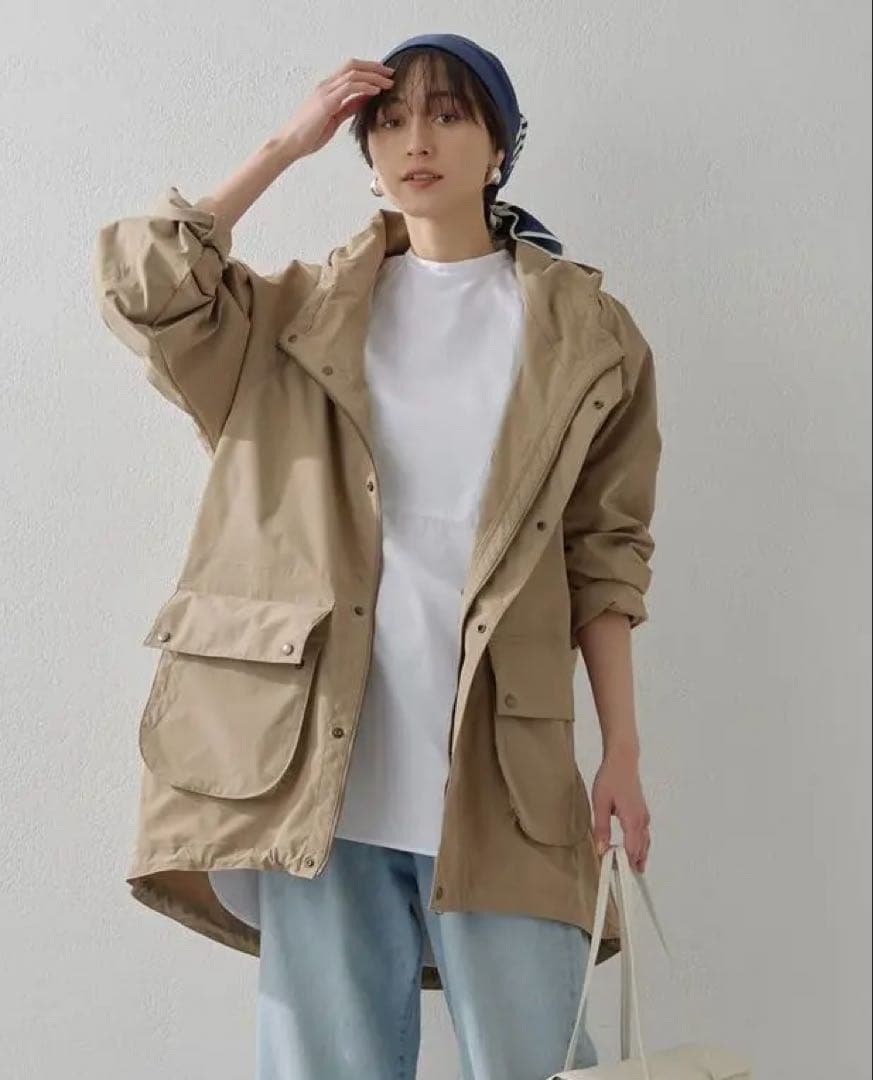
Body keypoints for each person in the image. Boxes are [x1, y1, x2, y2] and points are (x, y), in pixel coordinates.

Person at [94, 32, 660, 1080]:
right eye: (388, 122)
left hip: (501, 769)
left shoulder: (590, 336)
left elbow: (605, 556)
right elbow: (146, 283)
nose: (416, 141)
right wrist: (286, 144)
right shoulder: (293, 319)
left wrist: (620, 748)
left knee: (536, 1059)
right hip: (317, 768)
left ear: (500, 146)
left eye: (447, 115)